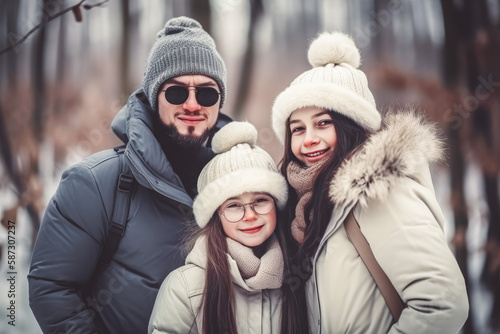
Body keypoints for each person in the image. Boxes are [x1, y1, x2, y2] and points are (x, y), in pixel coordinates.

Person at [28, 16, 231, 334]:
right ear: (153, 98)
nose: (192, 104)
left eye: (206, 94)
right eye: (176, 93)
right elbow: (51, 287)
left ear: (220, 102)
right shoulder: (94, 184)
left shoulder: (237, 184)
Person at [271, 31, 469, 333]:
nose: (308, 139)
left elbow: (443, 304)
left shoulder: (379, 192)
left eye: (323, 123)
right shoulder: (307, 204)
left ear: (351, 125)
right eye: (297, 129)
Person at [148, 121, 290, 333]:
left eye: (260, 200)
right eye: (233, 205)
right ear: (216, 215)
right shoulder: (185, 288)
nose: (250, 215)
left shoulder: (296, 278)